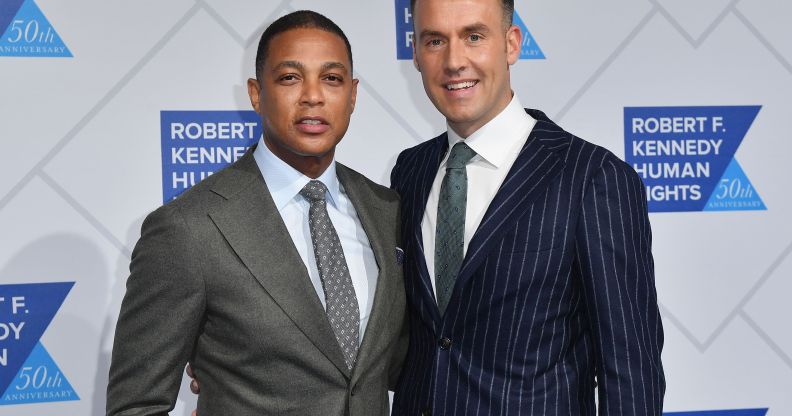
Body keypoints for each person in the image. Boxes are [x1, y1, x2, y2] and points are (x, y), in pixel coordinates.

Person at [106, 10, 406, 416]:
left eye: (331, 79)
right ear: (255, 93)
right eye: (290, 77)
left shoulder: (385, 209)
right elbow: (136, 405)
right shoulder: (188, 229)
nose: (313, 96)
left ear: (352, 95)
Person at [388, 0, 665, 414]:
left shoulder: (592, 177)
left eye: (474, 37)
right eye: (434, 41)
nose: (453, 61)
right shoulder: (410, 170)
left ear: (511, 44)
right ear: (415, 53)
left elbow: (630, 371)